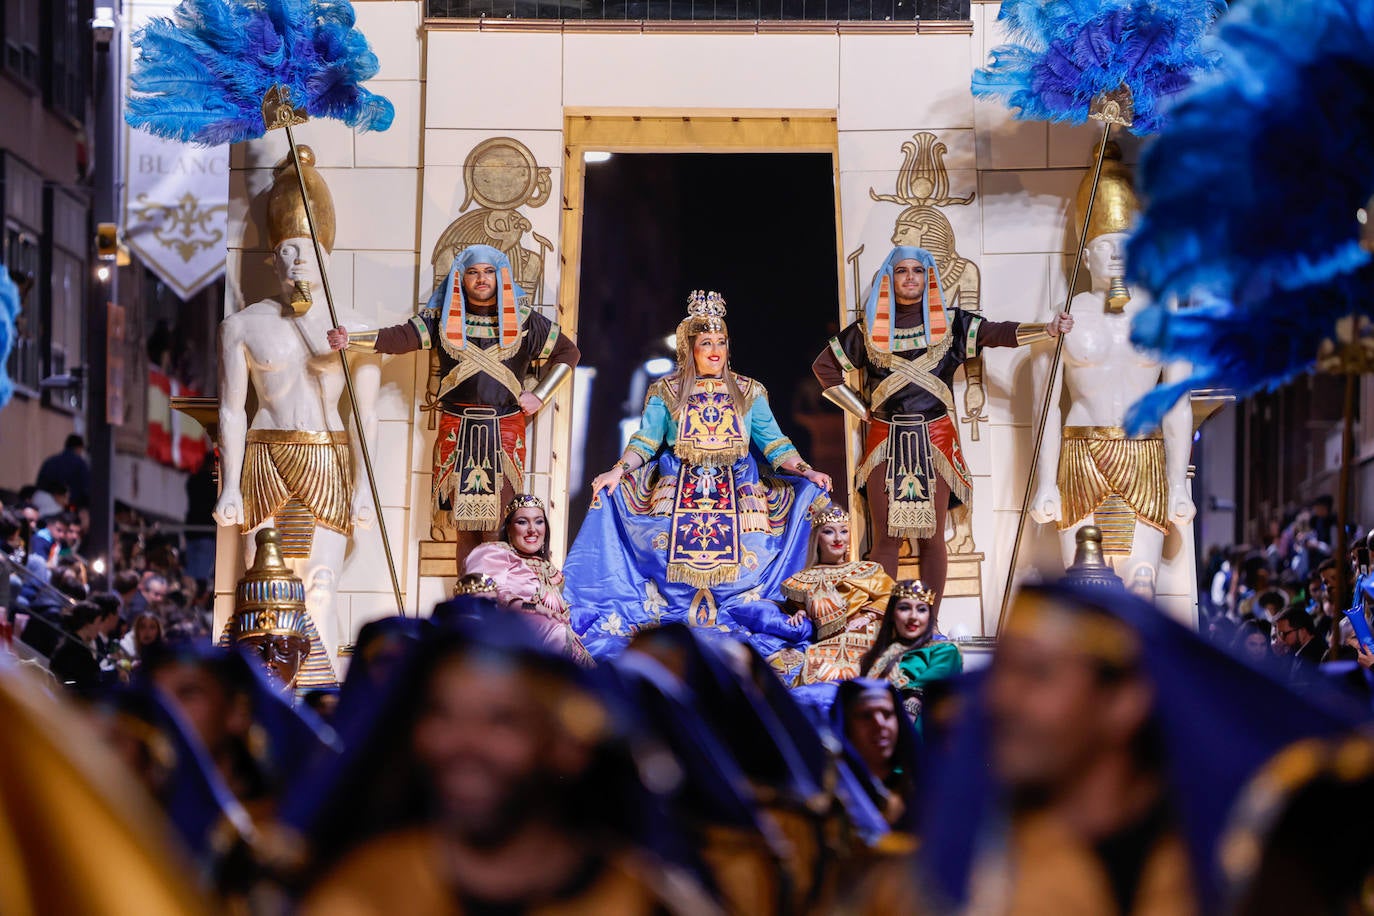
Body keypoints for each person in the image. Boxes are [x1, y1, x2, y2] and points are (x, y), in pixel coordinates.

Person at [297, 620, 712, 915]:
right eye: (442, 714)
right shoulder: (363, 895)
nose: (462, 743)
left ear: (567, 746)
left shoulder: (644, 902)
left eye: (502, 720)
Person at [566, 291, 830, 671]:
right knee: (619, 505)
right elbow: (646, 441)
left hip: (740, 494)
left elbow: (774, 443)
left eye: (721, 342)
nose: (715, 350)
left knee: (809, 502)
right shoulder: (666, 391)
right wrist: (617, 471)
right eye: (706, 342)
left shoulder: (748, 390)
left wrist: (807, 472)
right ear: (690, 348)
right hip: (676, 489)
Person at [812, 246, 1073, 602]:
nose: (909, 278)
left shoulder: (951, 323)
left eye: (917, 271)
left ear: (928, 277)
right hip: (884, 440)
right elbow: (824, 369)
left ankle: (929, 625)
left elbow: (995, 333)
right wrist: (860, 409)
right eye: (902, 271)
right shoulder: (868, 329)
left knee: (932, 537)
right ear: (890, 278)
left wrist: (1046, 329)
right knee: (887, 538)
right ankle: (883, 623)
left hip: (936, 439)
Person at [214, 147, 381, 676]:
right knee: (263, 591)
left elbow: (364, 416)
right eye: (286, 250)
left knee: (322, 589)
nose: (296, 260)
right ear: (272, 258)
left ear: (326, 256)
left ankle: (322, 696)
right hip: (264, 456)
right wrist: (230, 485)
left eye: (306, 249)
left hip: (327, 457)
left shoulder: (355, 328)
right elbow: (232, 411)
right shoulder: (242, 326)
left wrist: (361, 489)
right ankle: (265, 697)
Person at [326, 243, 579, 572]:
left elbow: (568, 353)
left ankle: (496, 603)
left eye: (488, 271)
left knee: (499, 523)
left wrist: (541, 394)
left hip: (504, 431)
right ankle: (468, 601)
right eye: (473, 272)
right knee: (465, 526)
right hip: (457, 431)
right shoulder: (442, 318)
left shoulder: (525, 320)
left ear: (500, 276)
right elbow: (401, 337)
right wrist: (353, 339)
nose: (481, 279)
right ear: (462, 278)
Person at [1027, 143, 1195, 598]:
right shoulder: (1063, 317)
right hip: (1080, 457)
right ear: (1086, 258)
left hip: (1145, 454)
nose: (1116, 257)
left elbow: (1179, 403)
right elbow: (1046, 413)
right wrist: (1046, 483)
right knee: (1085, 590)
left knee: (1143, 583)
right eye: (1104, 248)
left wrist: (1180, 484)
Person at [462, 494, 593, 666]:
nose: (532, 529)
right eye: (522, 522)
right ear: (508, 528)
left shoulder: (550, 570)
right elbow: (489, 592)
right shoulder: (495, 553)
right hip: (509, 643)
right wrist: (533, 607)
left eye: (538, 521)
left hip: (552, 647)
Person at [782, 503, 895, 684]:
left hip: (867, 632)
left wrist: (867, 616)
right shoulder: (802, 579)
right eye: (829, 532)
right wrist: (802, 612)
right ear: (816, 538)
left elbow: (893, 596)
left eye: (843, 531)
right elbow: (794, 607)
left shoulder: (867, 569)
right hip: (829, 644)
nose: (838, 539)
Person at [859, 580, 962, 728]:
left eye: (921, 609)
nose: (913, 616)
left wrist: (907, 719)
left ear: (929, 616)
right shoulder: (874, 656)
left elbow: (926, 688)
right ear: (892, 614)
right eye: (904, 608)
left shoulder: (944, 651)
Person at [48, 600, 106, 690]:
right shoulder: (77, 651)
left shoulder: (72, 643)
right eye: (98, 623)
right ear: (87, 625)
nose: (99, 628)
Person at [35, 434, 91, 510]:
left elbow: (39, 485)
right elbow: (86, 489)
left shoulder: (50, 461)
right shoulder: (80, 464)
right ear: (79, 448)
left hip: (44, 505)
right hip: (71, 508)